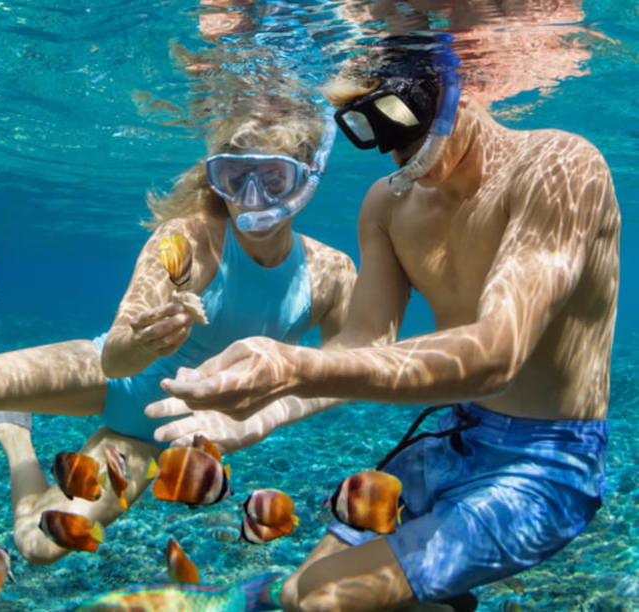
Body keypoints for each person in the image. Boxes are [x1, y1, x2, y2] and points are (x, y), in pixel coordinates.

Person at [148, 35, 619, 611]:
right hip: (455, 434)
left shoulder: (560, 166)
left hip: (547, 462)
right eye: (369, 129)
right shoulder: (388, 205)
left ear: (460, 87)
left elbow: (499, 352)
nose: (395, 151)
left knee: (324, 602)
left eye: (403, 117)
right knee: (300, 593)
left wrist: (294, 368)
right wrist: (263, 415)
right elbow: (364, 340)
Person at [0, 94, 357, 566]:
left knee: (39, 544)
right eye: (235, 177)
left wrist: (262, 415)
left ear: (307, 178)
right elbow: (116, 360)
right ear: (217, 176)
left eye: (274, 178)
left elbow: (352, 370)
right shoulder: (187, 240)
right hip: (108, 377)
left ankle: (12, 433)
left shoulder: (330, 273)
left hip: (147, 440)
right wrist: (139, 342)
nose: (251, 199)